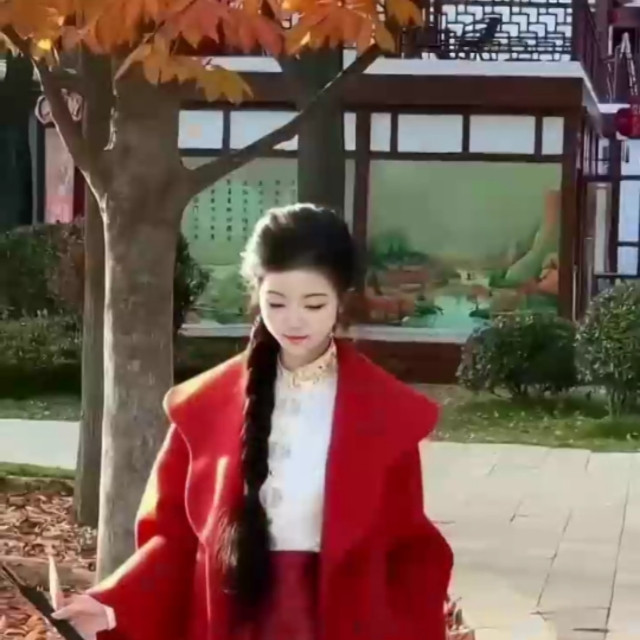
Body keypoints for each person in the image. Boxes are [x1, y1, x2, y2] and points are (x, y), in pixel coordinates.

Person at [52, 203, 454, 640]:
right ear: (256, 294)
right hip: (231, 619)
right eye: (276, 302)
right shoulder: (204, 407)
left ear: (342, 299)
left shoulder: (384, 414)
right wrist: (111, 604)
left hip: (342, 622)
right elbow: (173, 538)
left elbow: (406, 546)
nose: (294, 320)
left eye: (314, 304)